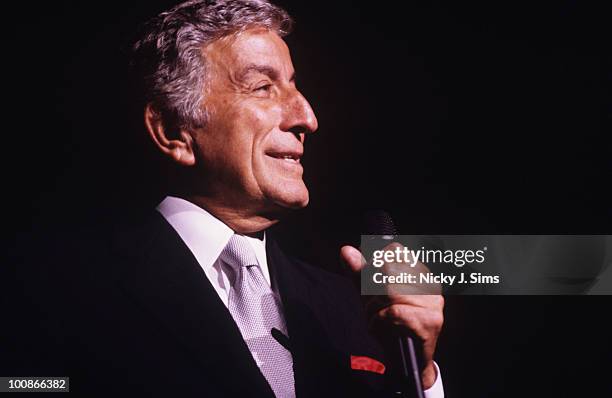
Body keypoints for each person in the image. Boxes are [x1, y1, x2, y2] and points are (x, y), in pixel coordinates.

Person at [12, 1, 445, 396]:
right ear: (172, 131)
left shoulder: (360, 308)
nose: (307, 118)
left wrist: (421, 377)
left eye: (295, 86)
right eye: (262, 87)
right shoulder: (45, 283)